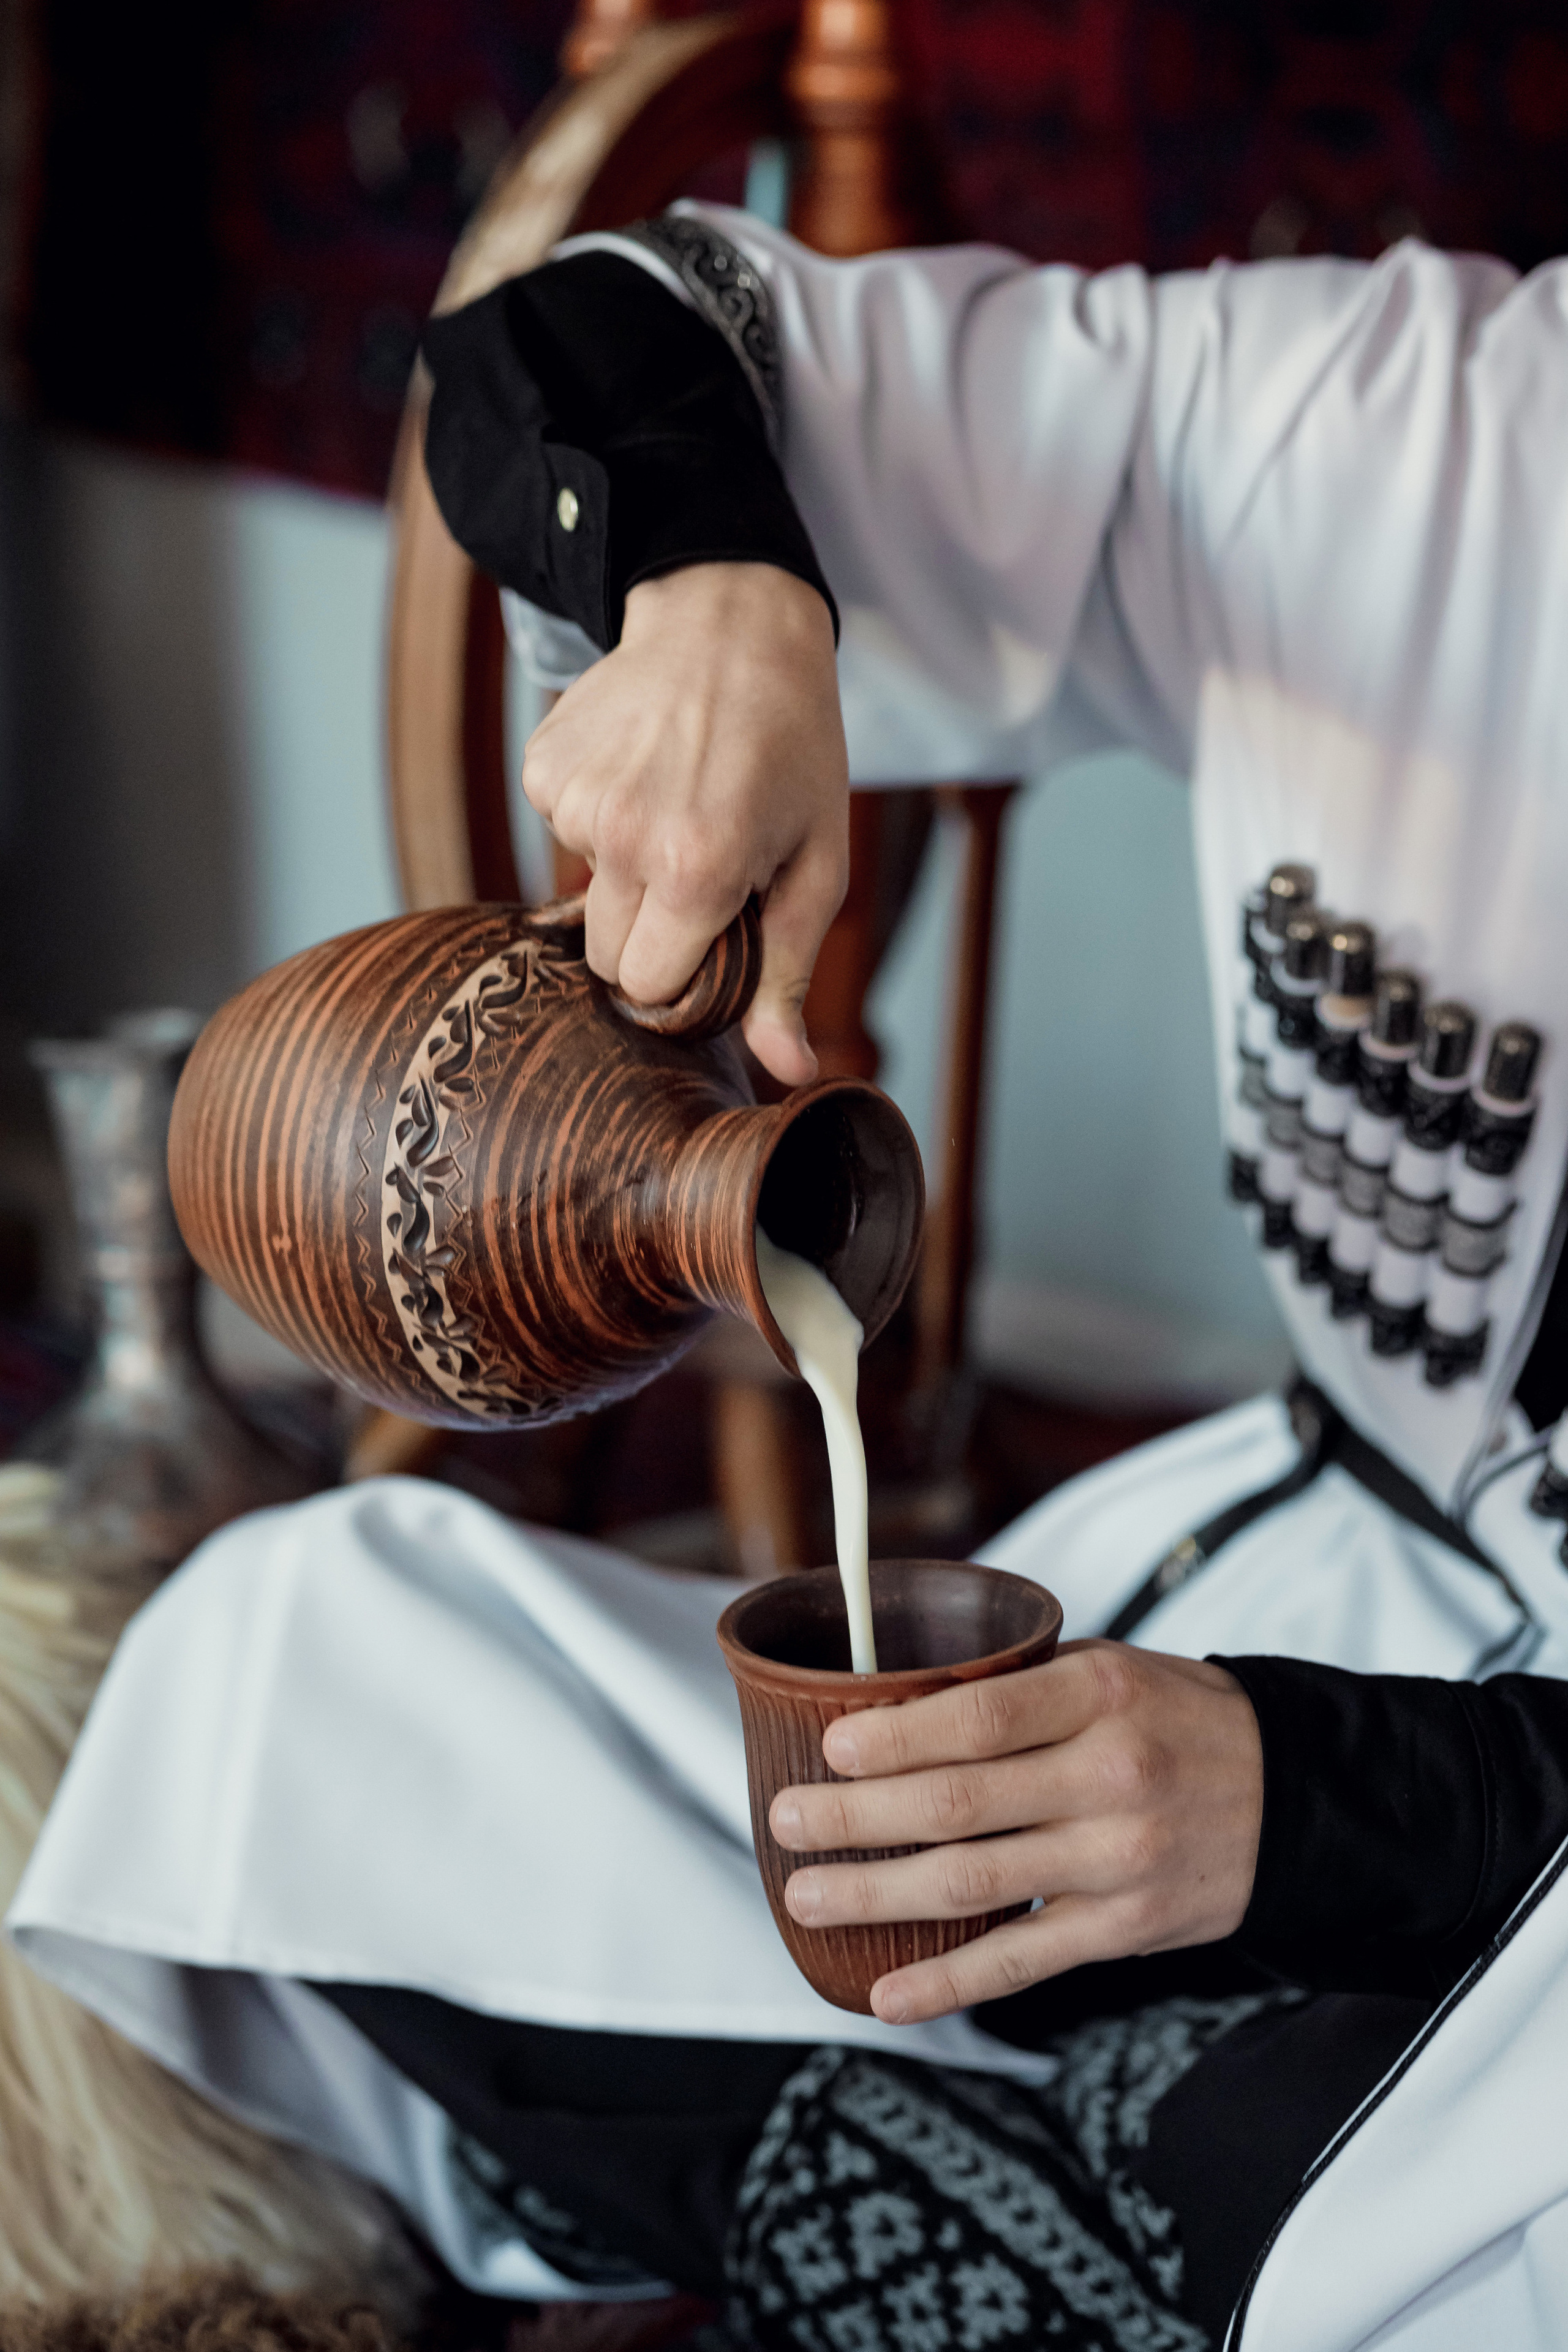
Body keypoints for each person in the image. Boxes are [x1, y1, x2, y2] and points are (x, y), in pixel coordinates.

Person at [10, 205, 1568, 2352]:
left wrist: (1319, 1815)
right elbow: (560, 339)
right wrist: (726, 595)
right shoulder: (1420, 433)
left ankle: (986, 2187)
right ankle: (1113, 2180)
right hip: (1261, 1604)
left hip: (1508, 1882)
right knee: (282, 1669)